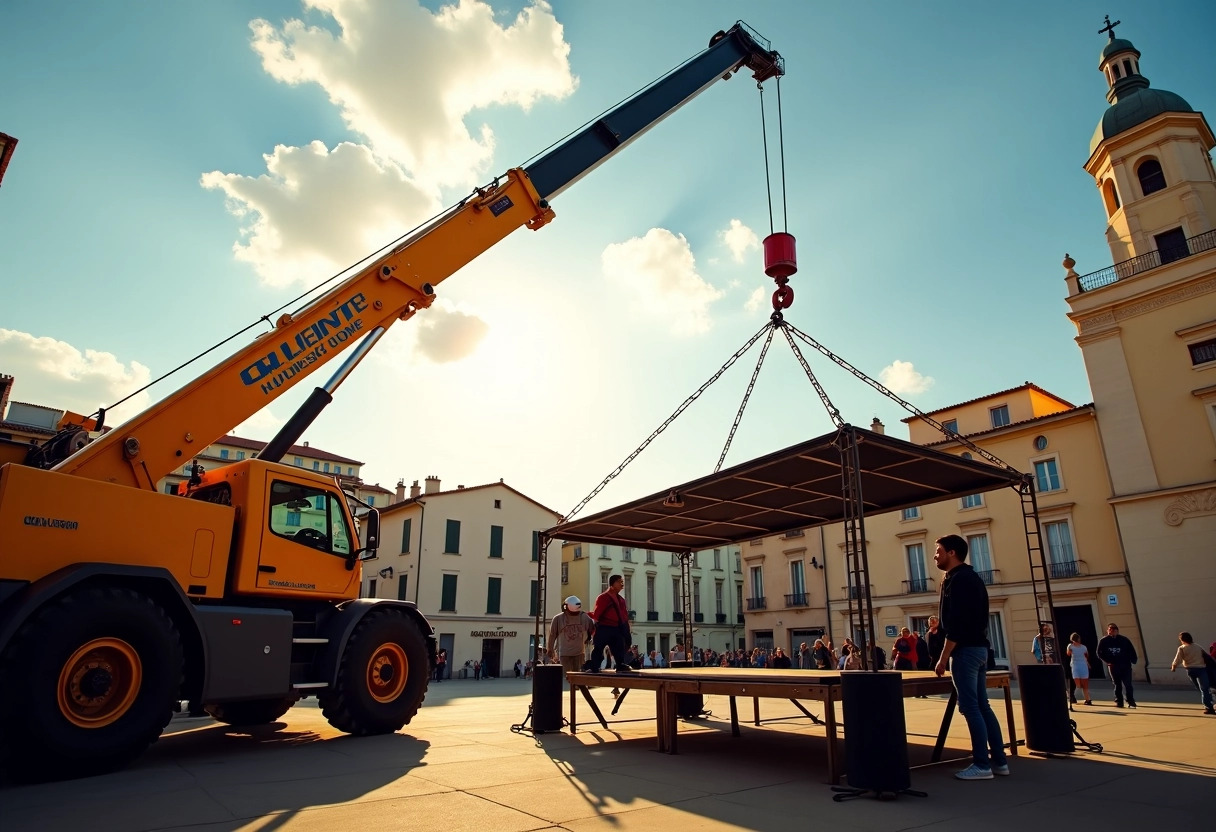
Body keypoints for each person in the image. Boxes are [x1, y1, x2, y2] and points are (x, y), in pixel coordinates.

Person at [933, 534, 1009, 781]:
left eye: (938, 551)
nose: (935, 555)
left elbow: (958, 623)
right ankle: (998, 761)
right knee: (983, 707)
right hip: (979, 648)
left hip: (965, 650)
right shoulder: (969, 578)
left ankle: (981, 764)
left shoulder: (959, 580)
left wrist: (943, 657)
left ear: (952, 553)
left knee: (971, 708)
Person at [589, 575, 634, 674]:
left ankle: (620, 665)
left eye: (622, 582)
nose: (622, 584)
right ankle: (594, 667)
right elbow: (597, 614)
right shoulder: (603, 597)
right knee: (598, 648)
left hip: (617, 628)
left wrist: (626, 629)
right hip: (604, 627)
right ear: (612, 584)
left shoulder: (621, 600)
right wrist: (594, 629)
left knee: (619, 648)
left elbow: (624, 616)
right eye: (619, 582)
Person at [548, 595, 596, 681]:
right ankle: (571, 692)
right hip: (565, 655)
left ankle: (575, 692)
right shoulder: (558, 619)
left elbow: (592, 629)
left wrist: (589, 638)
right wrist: (550, 649)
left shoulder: (584, 617)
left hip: (579, 654)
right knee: (568, 678)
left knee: (577, 678)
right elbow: (552, 635)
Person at [1169, 631, 1215, 714]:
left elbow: (1177, 658)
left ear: (1182, 640)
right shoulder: (1197, 647)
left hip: (1190, 670)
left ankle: (1208, 703)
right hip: (1201, 669)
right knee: (1204, 689)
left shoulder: (1181, 648)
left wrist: (1173, 666)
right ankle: (1209, 706)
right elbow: (1206, 656)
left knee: (1200, 688)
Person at [1033, 622, 1076, 705]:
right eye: (1045, 629)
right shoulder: (1038, 638)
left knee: (1062, 678)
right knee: (1049, 679)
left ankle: (1068, 694)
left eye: (1048, 628)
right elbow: (1034, 650)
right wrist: (1042, 658)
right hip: (1046, 661)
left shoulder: (1054, 636)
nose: (1048, 630)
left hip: (1057, 660)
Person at [1096, 623, 1138, 708]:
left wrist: (1133, 660)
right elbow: (1099, 653)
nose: (1111, 631)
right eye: (1110, 630)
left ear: (1117, 631)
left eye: (1114, 630)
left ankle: (1131, 701)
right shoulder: (1104, 641)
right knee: (1117, 684)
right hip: (1113, 666)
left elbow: (1131, 650)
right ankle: (1119, 701)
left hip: (1125, 665)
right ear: (1108, 631)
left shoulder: (1124, 640)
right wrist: (1107, 661)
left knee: (1128, 684)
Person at [1067, 633, 1091, 705]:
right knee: (1077, 683)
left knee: (1085, 684)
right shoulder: (1071, 646)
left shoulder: (1083, 647)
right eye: (1077, 638)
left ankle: (1088, 699)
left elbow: (1086, 655)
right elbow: (1068, 654)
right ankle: (1071, 695)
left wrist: (1087, 663)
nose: (1079, 640)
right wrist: (1069, 648)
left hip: (1083, 664)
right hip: (1075, 664)